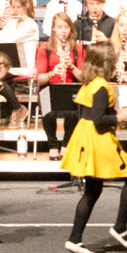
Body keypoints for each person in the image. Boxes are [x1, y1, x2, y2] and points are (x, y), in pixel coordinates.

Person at [60, 41, 127, 253]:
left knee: (93, 190)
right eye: (114, 61)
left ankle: (75, 239)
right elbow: (98, 119)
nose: (117, 65)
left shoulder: (90, 83)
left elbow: (90, 115)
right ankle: (120, 227)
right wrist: (121, 117)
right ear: (105, 63)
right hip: (98, 139)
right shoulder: (101, 87)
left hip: (87, 137)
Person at [36, 13, 85, 159]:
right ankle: (53, 145)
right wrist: (53, 73)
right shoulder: (44, 49)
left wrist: (71, 67)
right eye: (59, 27)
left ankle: (66, 144)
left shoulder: (77, 48)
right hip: (50, 88)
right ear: (53, 29)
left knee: (72, 112)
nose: (63, 31)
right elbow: (40, 79)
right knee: (48, 112)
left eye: (66, 27)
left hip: (70, 88)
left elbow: (83, 77)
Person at [0, 0, 39, 78]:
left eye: (18, 7)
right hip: (9, 67)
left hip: (23, 69)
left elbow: (8, 39)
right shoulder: (12, 23)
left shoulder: (31, 25)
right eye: (13, 7)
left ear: (27, 5)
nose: (15, 10)